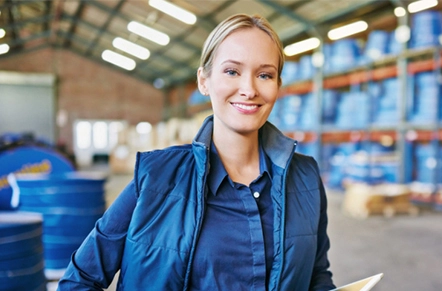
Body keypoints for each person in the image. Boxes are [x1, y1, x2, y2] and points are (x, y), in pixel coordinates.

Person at [58, 13, 336, 291]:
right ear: (204, 81)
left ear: (277, 86)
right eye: (232, 71)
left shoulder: (306, 178)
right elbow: (79, 281)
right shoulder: (157, 177)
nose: (249, 89)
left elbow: (316, 275)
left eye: (265, 75)